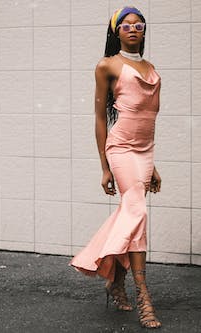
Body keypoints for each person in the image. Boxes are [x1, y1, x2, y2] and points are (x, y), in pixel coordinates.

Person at [70, 6, 162, 329]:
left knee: (130, 218)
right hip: (120, 149)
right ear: (116, 32)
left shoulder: (151, 68)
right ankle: (144, 296)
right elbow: (99, 118)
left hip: (145, 152)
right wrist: (104, 166)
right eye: (126, 25)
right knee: (138, 212)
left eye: (139, 24)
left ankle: (116, 282)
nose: (134, 28)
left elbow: (147, 122)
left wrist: (154, 166)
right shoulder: (107, 66)